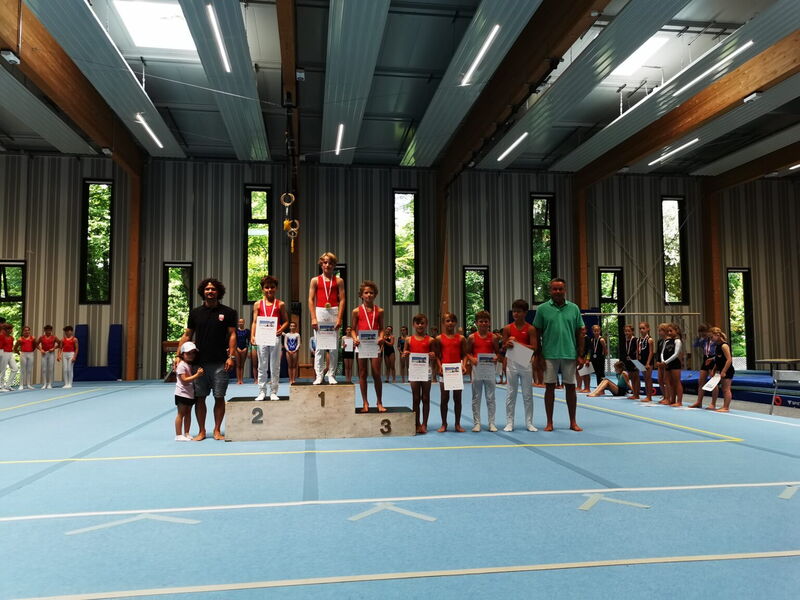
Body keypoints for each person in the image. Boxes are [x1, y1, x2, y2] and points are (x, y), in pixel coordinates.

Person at [176, 278, 237, 441]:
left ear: (219, 292)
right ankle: (202, 431)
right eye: (207, 289)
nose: (210, 291)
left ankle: (217, 430)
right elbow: (187, 335)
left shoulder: (229, 312)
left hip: (220, 362)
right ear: (203, 292)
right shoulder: (195, 313)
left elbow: (232, 335)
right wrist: (178, 355)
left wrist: (231, 357)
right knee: (200, 398)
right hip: (199, 364)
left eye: (213, 289)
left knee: (219, 397)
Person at [532, 278, 585, 432]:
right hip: (549, 354)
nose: (557, 292)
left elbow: (580, 332)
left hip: (570, 353)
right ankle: (549, 422)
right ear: (550, 290)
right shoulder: (542, 309)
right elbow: (537, 333)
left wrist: (580, 354)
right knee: (549, 387)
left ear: (565, 290)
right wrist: (538, 355)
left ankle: (573, 422)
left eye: (560, 289)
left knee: (571, 387)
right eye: (554, 289)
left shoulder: (574, 308)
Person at [308, 252, 345, 385]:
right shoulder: (315, 280)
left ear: (334, 265)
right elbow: (311, 299)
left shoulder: (339, 281)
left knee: (333, 347)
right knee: (319, 346)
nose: (327, 265)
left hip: (333, 311)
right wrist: (313, 317)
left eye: (330, 263)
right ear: (321, 264)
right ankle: (319, 375)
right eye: (325, 262)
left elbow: (342, 299)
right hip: (320, 311)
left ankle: (331, 374)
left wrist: (339, 318)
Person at [251, 275, 289, 401]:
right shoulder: (258, 304)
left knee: (275, 365)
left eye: (272, 287)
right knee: (262, 365)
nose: (269, 290)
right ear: (262, 289)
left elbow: (286, 321)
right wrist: (252, 335)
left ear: (276, 288)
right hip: (262, 336)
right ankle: (262, 391)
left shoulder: (280, 304)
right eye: (266, 287)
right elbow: (254, 321)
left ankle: (273, 391)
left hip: (275, 337)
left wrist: (281, 329)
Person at [502, 299, 536, 432]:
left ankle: (529, 423)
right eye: (514, 311)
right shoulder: (507, 328)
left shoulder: (530, 329)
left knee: (527, 394)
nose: (516, 314)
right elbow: (503, 347)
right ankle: (509, 422)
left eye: (519, 311)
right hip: (512, 362)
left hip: (526, 362)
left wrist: (517, 343)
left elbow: (534, 348)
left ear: (525, 313)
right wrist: (507, 344)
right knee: (511, 393)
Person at [351, 280, 385, 413]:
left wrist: (381, 337)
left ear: (375, 294)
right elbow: (353, 329)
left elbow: (381, 328)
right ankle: (365, 402)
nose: (369, 295)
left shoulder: (379, 311)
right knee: (362, 373)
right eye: (366, 293)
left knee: (376, 373)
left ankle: (379, 402)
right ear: (361, 295)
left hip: (374, 344)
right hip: (362, 344)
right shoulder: (356, 311)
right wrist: (355, 339)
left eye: (371, 292)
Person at [403, 313, 436, 434]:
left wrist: (433, 355)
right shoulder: (409, 339)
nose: (420, 325)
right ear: (413, 325)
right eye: (418, 323)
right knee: (416, 398)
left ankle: (424, 424)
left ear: (426, 324)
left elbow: (435, 355)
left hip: (426, 371)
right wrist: (405, 354)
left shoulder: (431, 340)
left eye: (422, 323)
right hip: (414, 371)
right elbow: (404, 354)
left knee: (426, 398)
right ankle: (416, 423)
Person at [467, 310, 498, 432]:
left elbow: (498, 353)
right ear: (476, 323)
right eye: (481, 321)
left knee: (491, 397)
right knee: (476, 397)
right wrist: (471, 359)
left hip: (489, 368)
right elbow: (467, 352)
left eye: (486, 321)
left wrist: (496, 358)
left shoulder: (493, 337)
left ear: (489, 323)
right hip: (477, 368)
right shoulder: (471, 337)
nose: (483, 324)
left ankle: (492, 423)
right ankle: (477, 423)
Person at [435, 312, 466, 432]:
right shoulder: (439, 339)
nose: (450, 323)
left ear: (455, 323)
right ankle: (444, 423)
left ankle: (457, 423)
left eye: (452, 321)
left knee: (458, 399)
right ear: (443, 323)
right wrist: (439, 366)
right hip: (445, 371)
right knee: (444, 399)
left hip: (456, 371)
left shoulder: (461, 338)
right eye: (447, 321)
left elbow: (464, 355)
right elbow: (437, 356)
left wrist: (463, 365)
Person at [174, 341, 204, 441]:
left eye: (193, 353)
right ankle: (178, 434)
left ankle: (187, 432)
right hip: (182, 394)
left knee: (188, 414)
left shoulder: (190, 365)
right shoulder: (181, 365)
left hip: (189, 394)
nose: (191, 355)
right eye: (188, 353)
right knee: (181, 414)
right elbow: (184, 379)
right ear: (182, 354)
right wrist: (197, 375)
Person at [689, 324, 716, 409]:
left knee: (713, 382)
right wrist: (699, 338)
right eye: (700, 332)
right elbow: (695, 345)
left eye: (704, 332)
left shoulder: (714, 340)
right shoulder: (703, 340)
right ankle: (699, 402)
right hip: (705, 360)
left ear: (709, 331)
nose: (703, 334)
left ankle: (713, 403)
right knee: (701, 381)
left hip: (713, 360)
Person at [708, 327, 735, 412]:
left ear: (717, 335)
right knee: (723, 388)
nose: (711, 339)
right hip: (720, 370)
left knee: (726, 389)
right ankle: (724, 406)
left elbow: (729, 359)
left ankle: (726, 407)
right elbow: (718, 360)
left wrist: (723, 371)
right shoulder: (717, 346)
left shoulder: (724, 345)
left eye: (712, 337)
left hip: (727, 370)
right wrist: (713, 370)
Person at [657, 322, 683, 407]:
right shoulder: (666, 341)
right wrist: (663, 361)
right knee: (667, 382)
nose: (669, 333)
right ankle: (670, 399)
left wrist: (665, 362)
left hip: (674, 363)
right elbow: (662, 352)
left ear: (676, 331)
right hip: (666, 364)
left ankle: (679, 401)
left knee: (676, 382)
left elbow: (676, 354)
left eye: (671, 331)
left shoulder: (677, 341)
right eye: (668, 331)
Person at [14, 325, 37, 390]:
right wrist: (18, 353)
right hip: (23, 354)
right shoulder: (20, 339)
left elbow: (35, 346)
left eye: (28, 330)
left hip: (30, 354)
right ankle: (21, 385)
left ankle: (28, 384)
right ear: (23, 332)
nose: (27, 332)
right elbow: (15, 347)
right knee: (23, 370)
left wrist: (31, 351)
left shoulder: (33, 338)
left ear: (29, 331)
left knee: (29, 370)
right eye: (25, 330)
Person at [37, 324, 59, 389]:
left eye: (49, 330)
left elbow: (60, 343)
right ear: (44, 330)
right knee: (44, 369)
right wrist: (41, 350)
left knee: (50, 369)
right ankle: (44, 384)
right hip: (44, 353)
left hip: (51, 353)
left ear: (51, 330)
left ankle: (50, 383)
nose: (48, 331)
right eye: (47, 330)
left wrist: (54, 348)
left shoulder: (54, 337)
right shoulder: (41, 337)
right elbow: (36, 344)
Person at [638, 322, 655, 402]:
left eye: (643, 328)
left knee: (648, 379)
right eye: (640, 328)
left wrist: (648, 363)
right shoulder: (640, 340)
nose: (641, 330)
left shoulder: (650, 340)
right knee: (645, 379)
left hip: (648, 361)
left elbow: (651, 352)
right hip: (641, 361)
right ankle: (647, 396)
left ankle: (649, 396)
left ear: (648, 329)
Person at [621, 324, 640, 399]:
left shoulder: (635, 340)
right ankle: (634, 393)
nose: (627, 333)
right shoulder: (625, 340)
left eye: (628, 331)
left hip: (635, 360)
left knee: (636, 377)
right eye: (625, 331)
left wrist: (637, 362)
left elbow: (638, 351)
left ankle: (637, 394)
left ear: (632, 331)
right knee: (632, 377)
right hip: (628, 361)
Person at [0, 323, 19, 391]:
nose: (11, 330)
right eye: (10, 329)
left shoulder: (12, 338)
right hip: (3, 353)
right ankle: (1, 386)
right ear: (6, 330)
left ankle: (8, 386)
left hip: (10, 353)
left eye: (12, 329)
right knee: (3, 370)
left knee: (15, 368)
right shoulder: (1, 336)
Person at [588, 324, 607, 390]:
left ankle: (602, 388)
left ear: (600, 331)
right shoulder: (592, 339)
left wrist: (603, 357)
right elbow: (590, 350)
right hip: (594, 358)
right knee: (597, 373)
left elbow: (605, 350)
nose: (596, 332)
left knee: (601, 373)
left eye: (597, 331)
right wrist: (588, 358)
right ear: (592, 331)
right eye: (595, 331)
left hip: (600, 359)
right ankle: (598, 387)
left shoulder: (601, 340)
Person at [234, 318, 250, 384]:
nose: (241, 323)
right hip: (237, 348)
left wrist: (246, 347)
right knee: (238, 365)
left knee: (242, 365)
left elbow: (248, 340)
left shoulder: (247, 331)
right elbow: (234, 340)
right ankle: (238, 380)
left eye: (242, 322)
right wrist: (237, 347)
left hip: (244, 348)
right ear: (238, 323)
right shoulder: (236, 331)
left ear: (244, 322)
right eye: (239, 322)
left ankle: (241, 379)